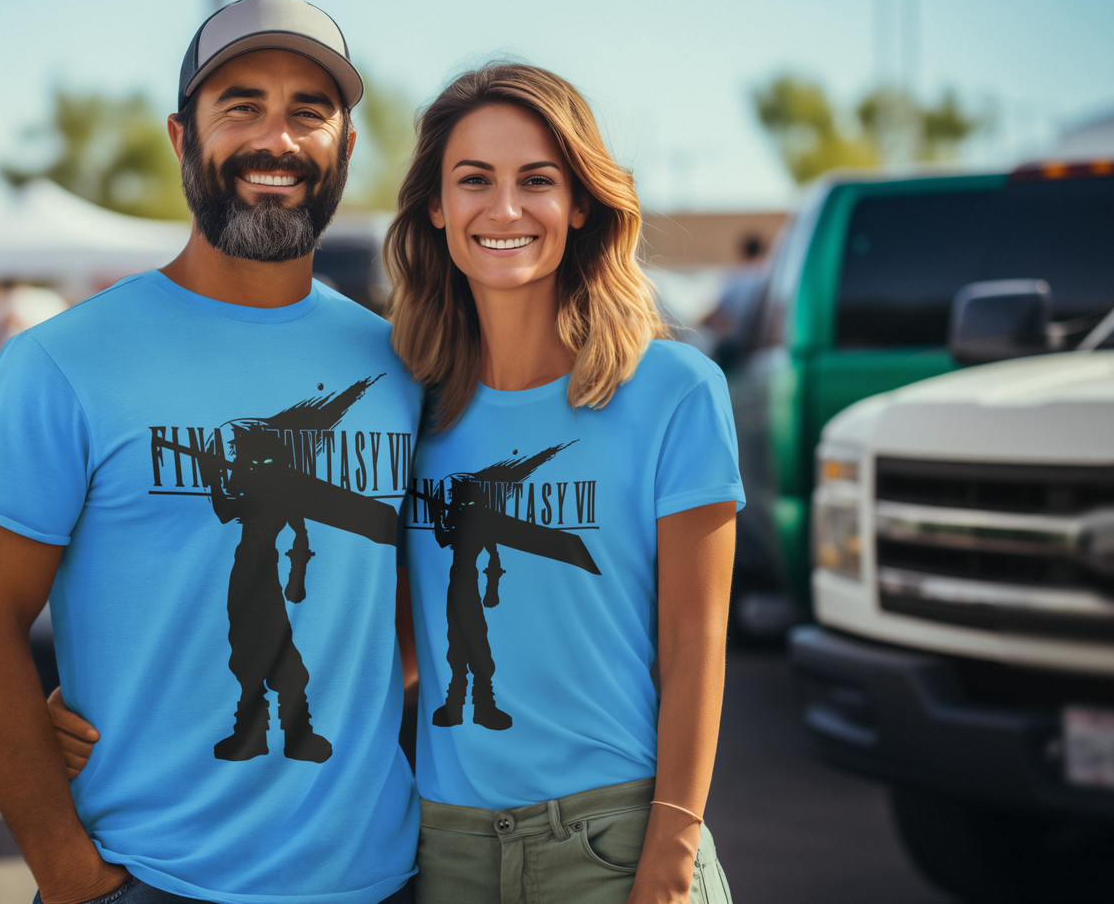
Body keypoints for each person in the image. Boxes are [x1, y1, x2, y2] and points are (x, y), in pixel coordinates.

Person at [51, 66, 745, 903]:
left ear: (583, 202)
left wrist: (670, 851)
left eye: (538, 181)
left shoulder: (673, 391)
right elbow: (380, 629)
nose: (506, 209)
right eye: (473, 181)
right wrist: (121, 694)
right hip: (444, 849)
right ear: (435, 207)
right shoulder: (412, 405)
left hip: (613, 840)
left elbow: (696, 637)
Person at [0, 0, 421, 904]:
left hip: (381, 881)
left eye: (308, 112)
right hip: (146, 881)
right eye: (241, 105)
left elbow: (402, 609)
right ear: (179, 136)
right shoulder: (62, 362)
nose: (275, 138)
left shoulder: (400, 367)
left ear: (345, 149)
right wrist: (69, 871)